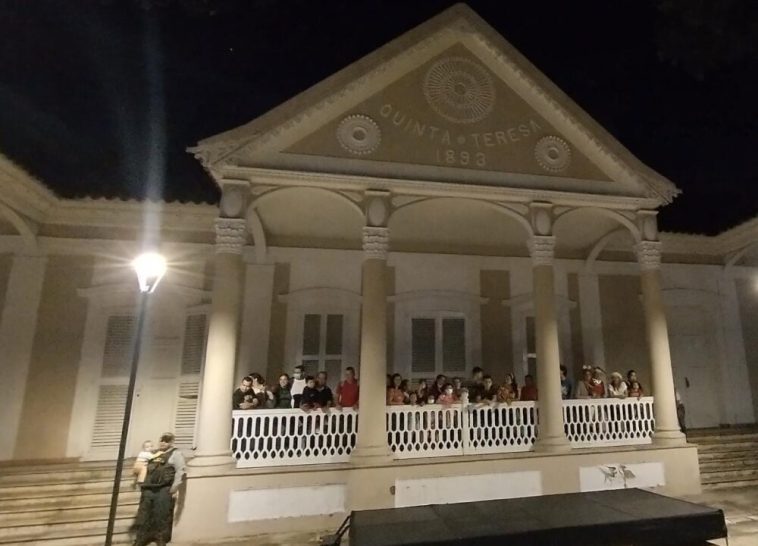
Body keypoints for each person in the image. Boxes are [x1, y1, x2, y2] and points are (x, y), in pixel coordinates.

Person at [132, 432, 185, 546]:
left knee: (161, 514)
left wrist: (175, 487)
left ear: (171, 442)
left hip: (163, 489)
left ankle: (160, 538)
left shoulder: (175, 454)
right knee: (144, 514)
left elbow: (180, 471)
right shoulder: (153, 453)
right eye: (162, 440)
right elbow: (141, 467)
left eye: (166, 440)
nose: (163, 442)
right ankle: (141, 537)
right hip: (148, 488)